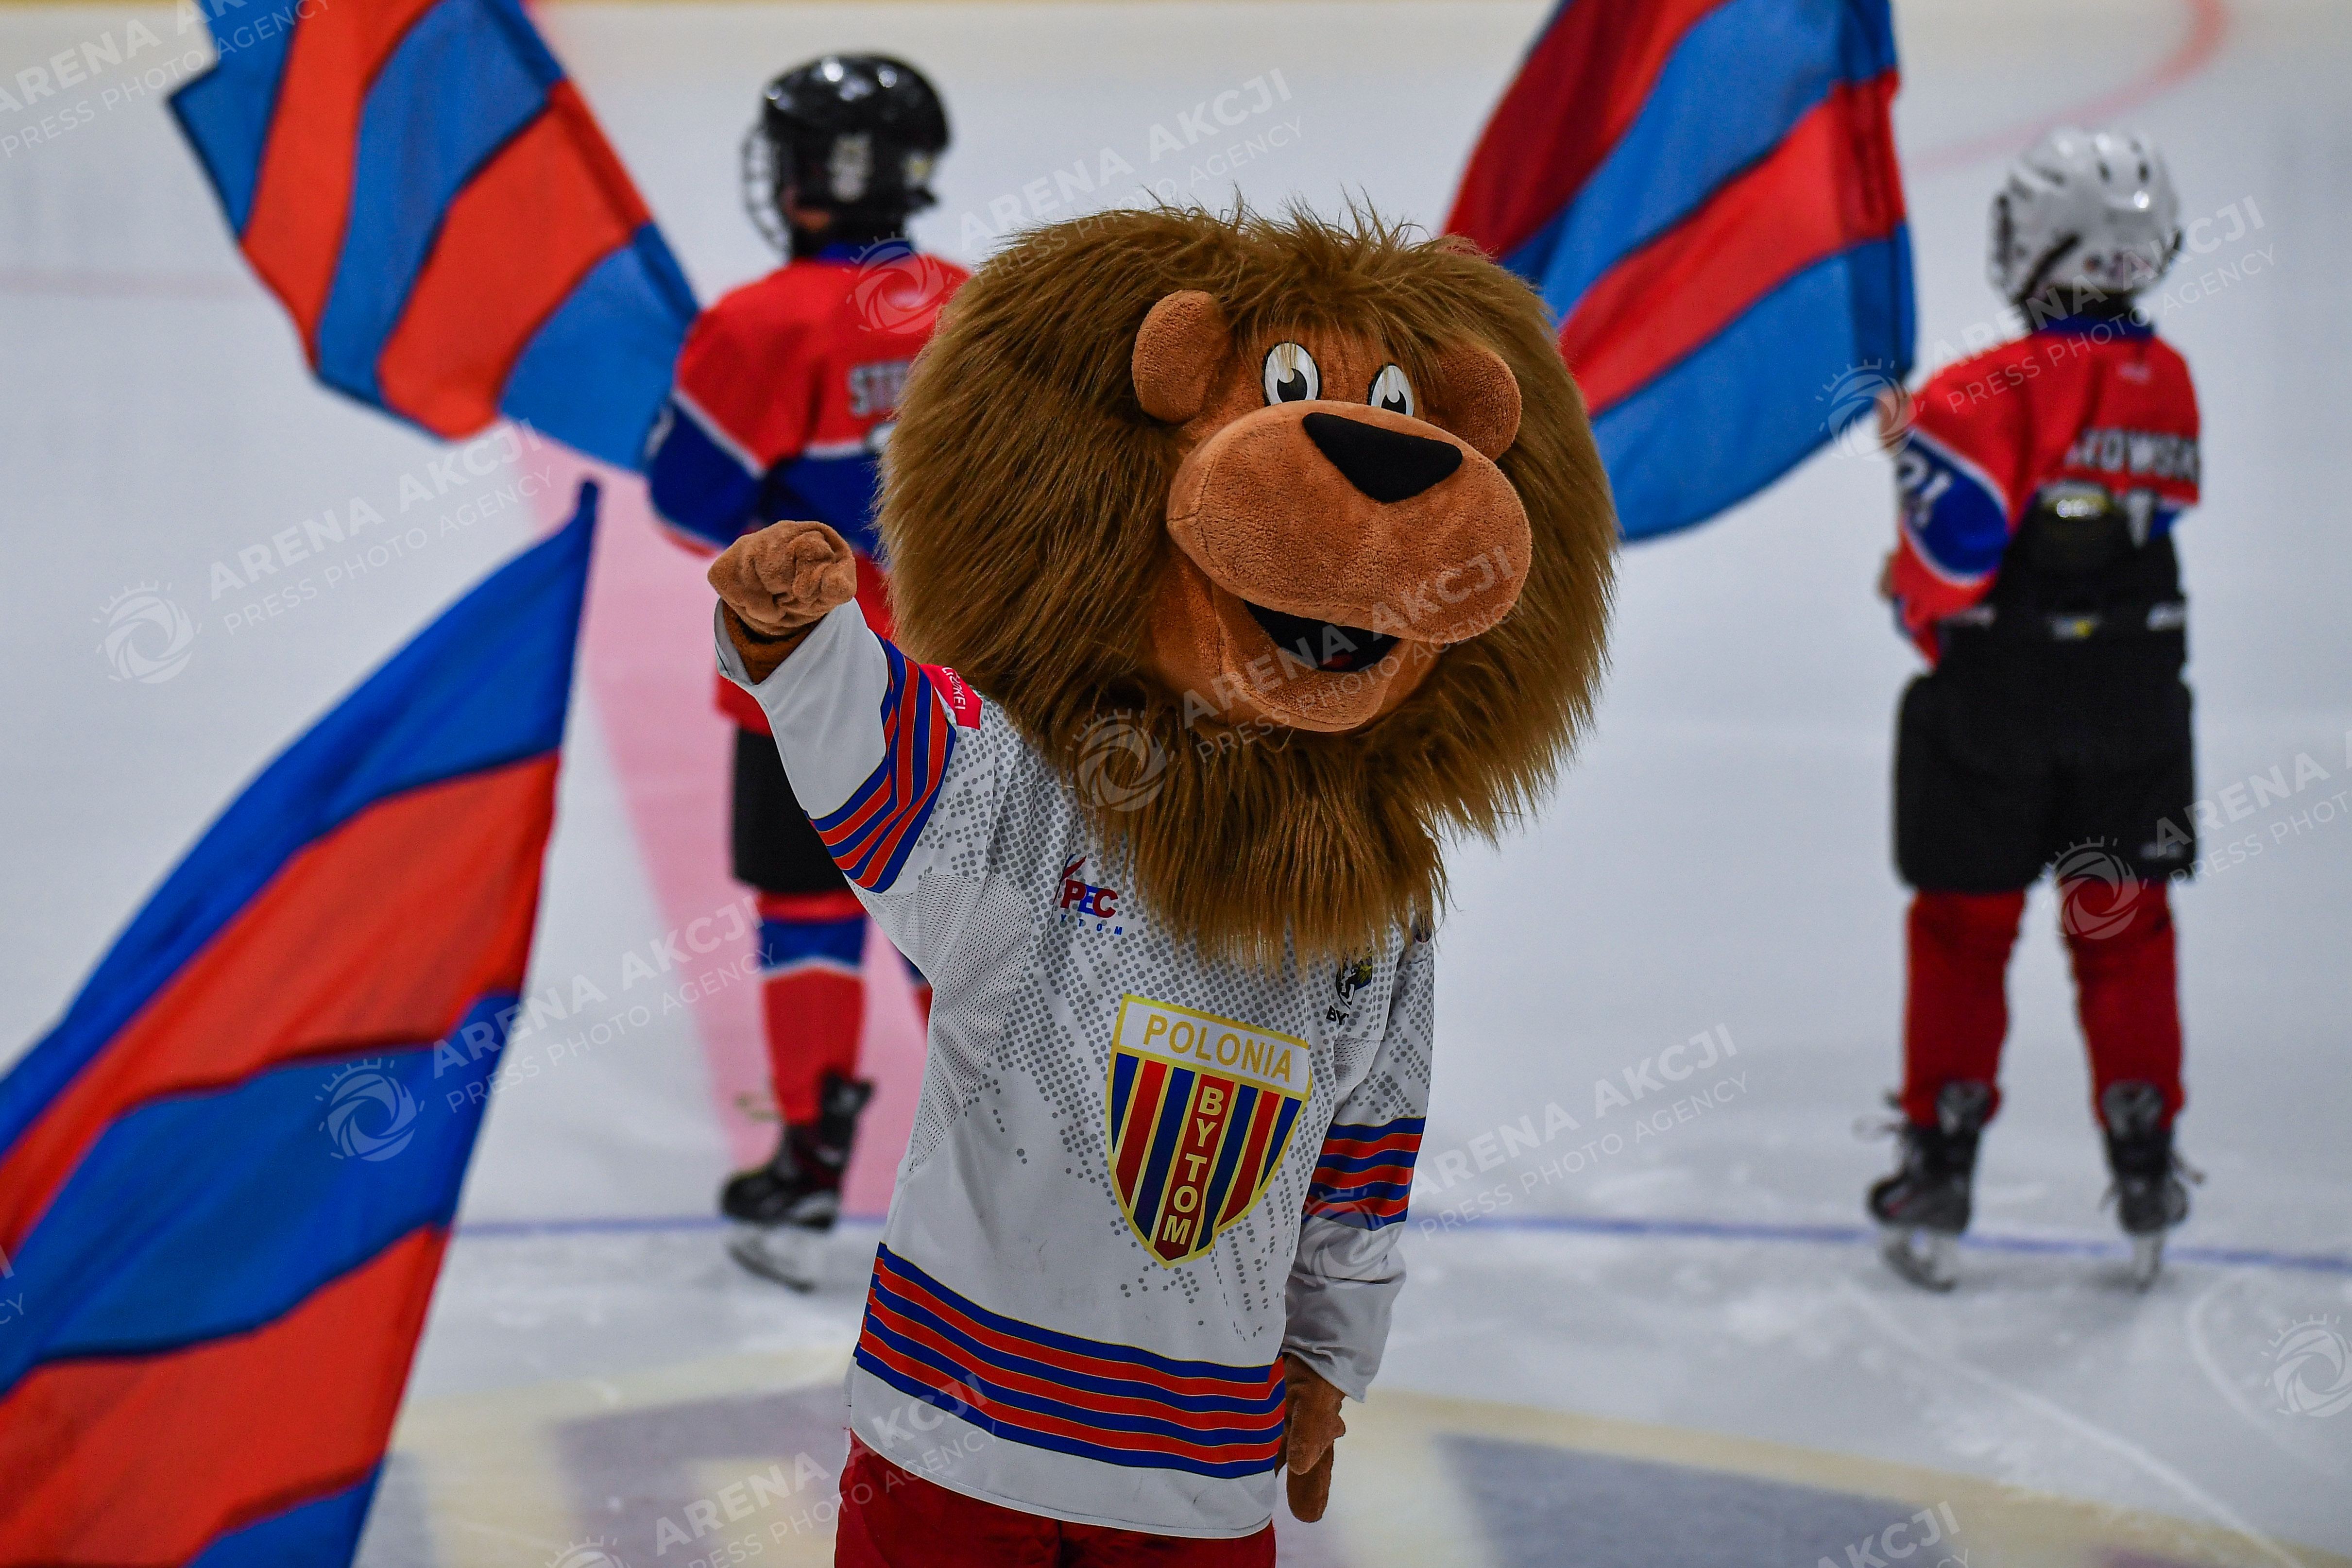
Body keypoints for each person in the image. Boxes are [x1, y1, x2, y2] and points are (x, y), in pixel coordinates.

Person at [644, 55, 966, 1283]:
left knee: (809, 912)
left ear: (812, 175)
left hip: (800, 693)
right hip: (963, 696)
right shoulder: (982, 307)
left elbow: (689, 510)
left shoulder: (757, 325)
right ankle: (1007, 1164)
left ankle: (807, 1169)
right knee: (957, 928)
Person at [1869, 126, 2202, 1291]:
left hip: (1995, 704)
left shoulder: (1975, 392)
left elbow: (1948, 569)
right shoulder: (2174, 380)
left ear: (2047, 242)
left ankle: (1941, 1162)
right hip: (2138, 699)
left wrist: (1912, 475)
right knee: (2126, 930)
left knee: (1965, 934)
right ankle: (2146, 1152)